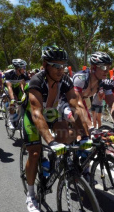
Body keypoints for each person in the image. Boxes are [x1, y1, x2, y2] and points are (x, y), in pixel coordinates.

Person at [23, 46, 86, 212]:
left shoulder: (65, 80)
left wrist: (85, 135)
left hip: (51, 113)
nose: (61, 70)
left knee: (66, 133)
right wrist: (50, 141)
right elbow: (36, 113)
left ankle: (52, 163)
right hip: (32, 116)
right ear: (45, 65)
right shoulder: (37, 81)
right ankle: (30, 194)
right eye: (56, 66)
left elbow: (75, 106)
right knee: (35, 152)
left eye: (63, 65)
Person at [73, 51, 114, 134]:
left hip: (83, 101)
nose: (107, 71)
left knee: (88, 133)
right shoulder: (81, 78)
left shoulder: (104, 82)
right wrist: (90, 126)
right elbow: (78, 103)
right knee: (83, 128)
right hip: (68, 100)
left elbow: (112, 103)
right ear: (93, 67)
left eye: (108, 67)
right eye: (103, 68)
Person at [3, 59, 30, 129]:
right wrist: (12, 99)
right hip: (8, 88)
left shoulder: (24, 74)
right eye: (23, 68)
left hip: (17, 87)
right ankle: (10, 121)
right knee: (13, 101)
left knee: (22, 103)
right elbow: (9, 87)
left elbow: (29, 85)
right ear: (18, 69)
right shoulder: (9, 73)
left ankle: (18, 119)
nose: (25, 69)